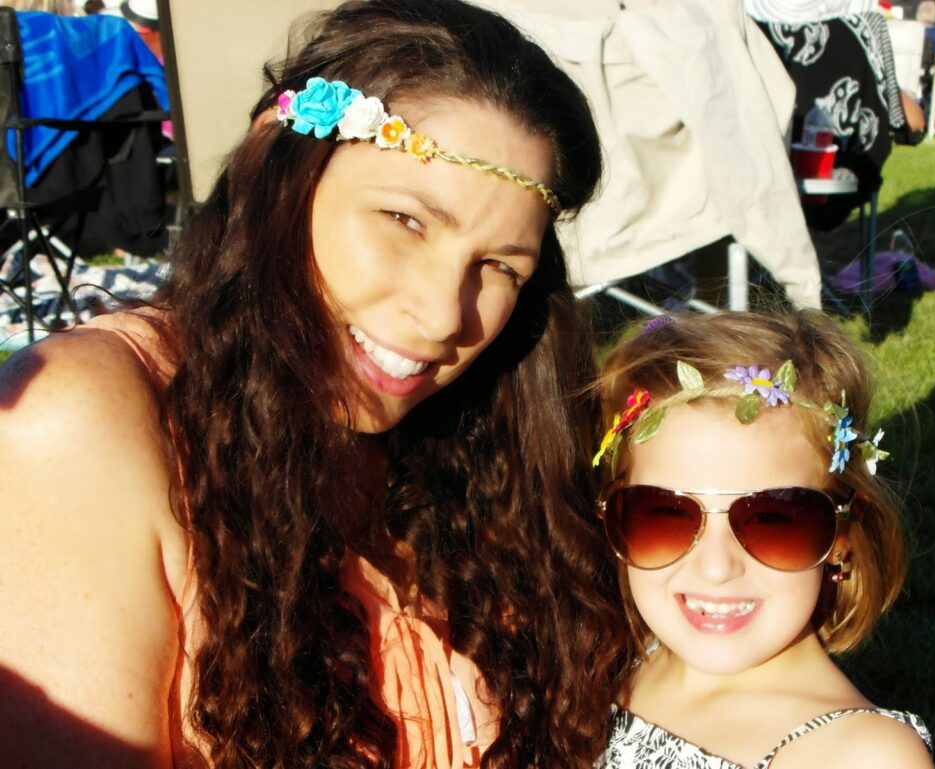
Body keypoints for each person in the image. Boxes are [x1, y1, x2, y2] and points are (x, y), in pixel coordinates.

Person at [0, 2, 627, 768]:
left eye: (498, 266)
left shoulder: (485, 447)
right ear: (281, 168)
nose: (441, 316)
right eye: (404, 219)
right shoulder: (88, 422)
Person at [591, 311, 935, 768]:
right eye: (665, 514)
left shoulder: (863, 757)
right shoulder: (607, 665)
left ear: (842, 534)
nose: (716, 567)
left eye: (774, 519)